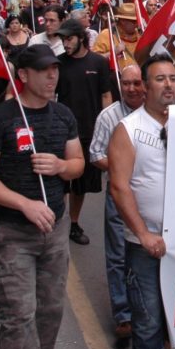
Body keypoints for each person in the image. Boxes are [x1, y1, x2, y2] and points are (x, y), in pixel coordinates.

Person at [0, 44, 85, 349]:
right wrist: (24, 204)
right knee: (18, 318)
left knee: (50, 312)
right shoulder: (0, 119)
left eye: (56, 69)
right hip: (13, 232)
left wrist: (61, 167)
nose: (52, 76)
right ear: (22, 75)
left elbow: (78, 163)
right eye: (44, 70)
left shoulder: (63, 115)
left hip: (55, 232)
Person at [108, 54, 175, 349]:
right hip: (145, 246)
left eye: (173, 78)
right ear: (145, 87)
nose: (168, 85)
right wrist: (143, 234)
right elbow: (119, 187)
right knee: (148, 318)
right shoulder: (128, 129)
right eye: (160, 79)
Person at [90, 65, 147, 348]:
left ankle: (147, 312)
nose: (132, 89)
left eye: (137, 83)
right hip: (118, 195)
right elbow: (95, 154)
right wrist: (121, 168)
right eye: (127, 84)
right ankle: (123, 315)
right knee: (118, 255)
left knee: (147, 251)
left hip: (150, 196)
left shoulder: (159, 111)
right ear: (120, 85)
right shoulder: (109, 116)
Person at [55, 18, 114, 246]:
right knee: (61, 180)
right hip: (63, 132)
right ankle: (57, 222)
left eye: (68, 38)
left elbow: (106, 94)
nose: (65, 43)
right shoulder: (58, 63)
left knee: (80, 184)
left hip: (90, 131)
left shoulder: (98, 62)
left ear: (81, 38)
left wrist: (108, 126)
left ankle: (73, 223)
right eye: (62, 39)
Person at [94, 2, 142, 67]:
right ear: (123, 21)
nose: (137, 25)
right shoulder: (107, 34)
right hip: (115, 76)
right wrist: (114, 52)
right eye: (134, 22)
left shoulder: (140, 35)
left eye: (137, 21)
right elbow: (94, 60)